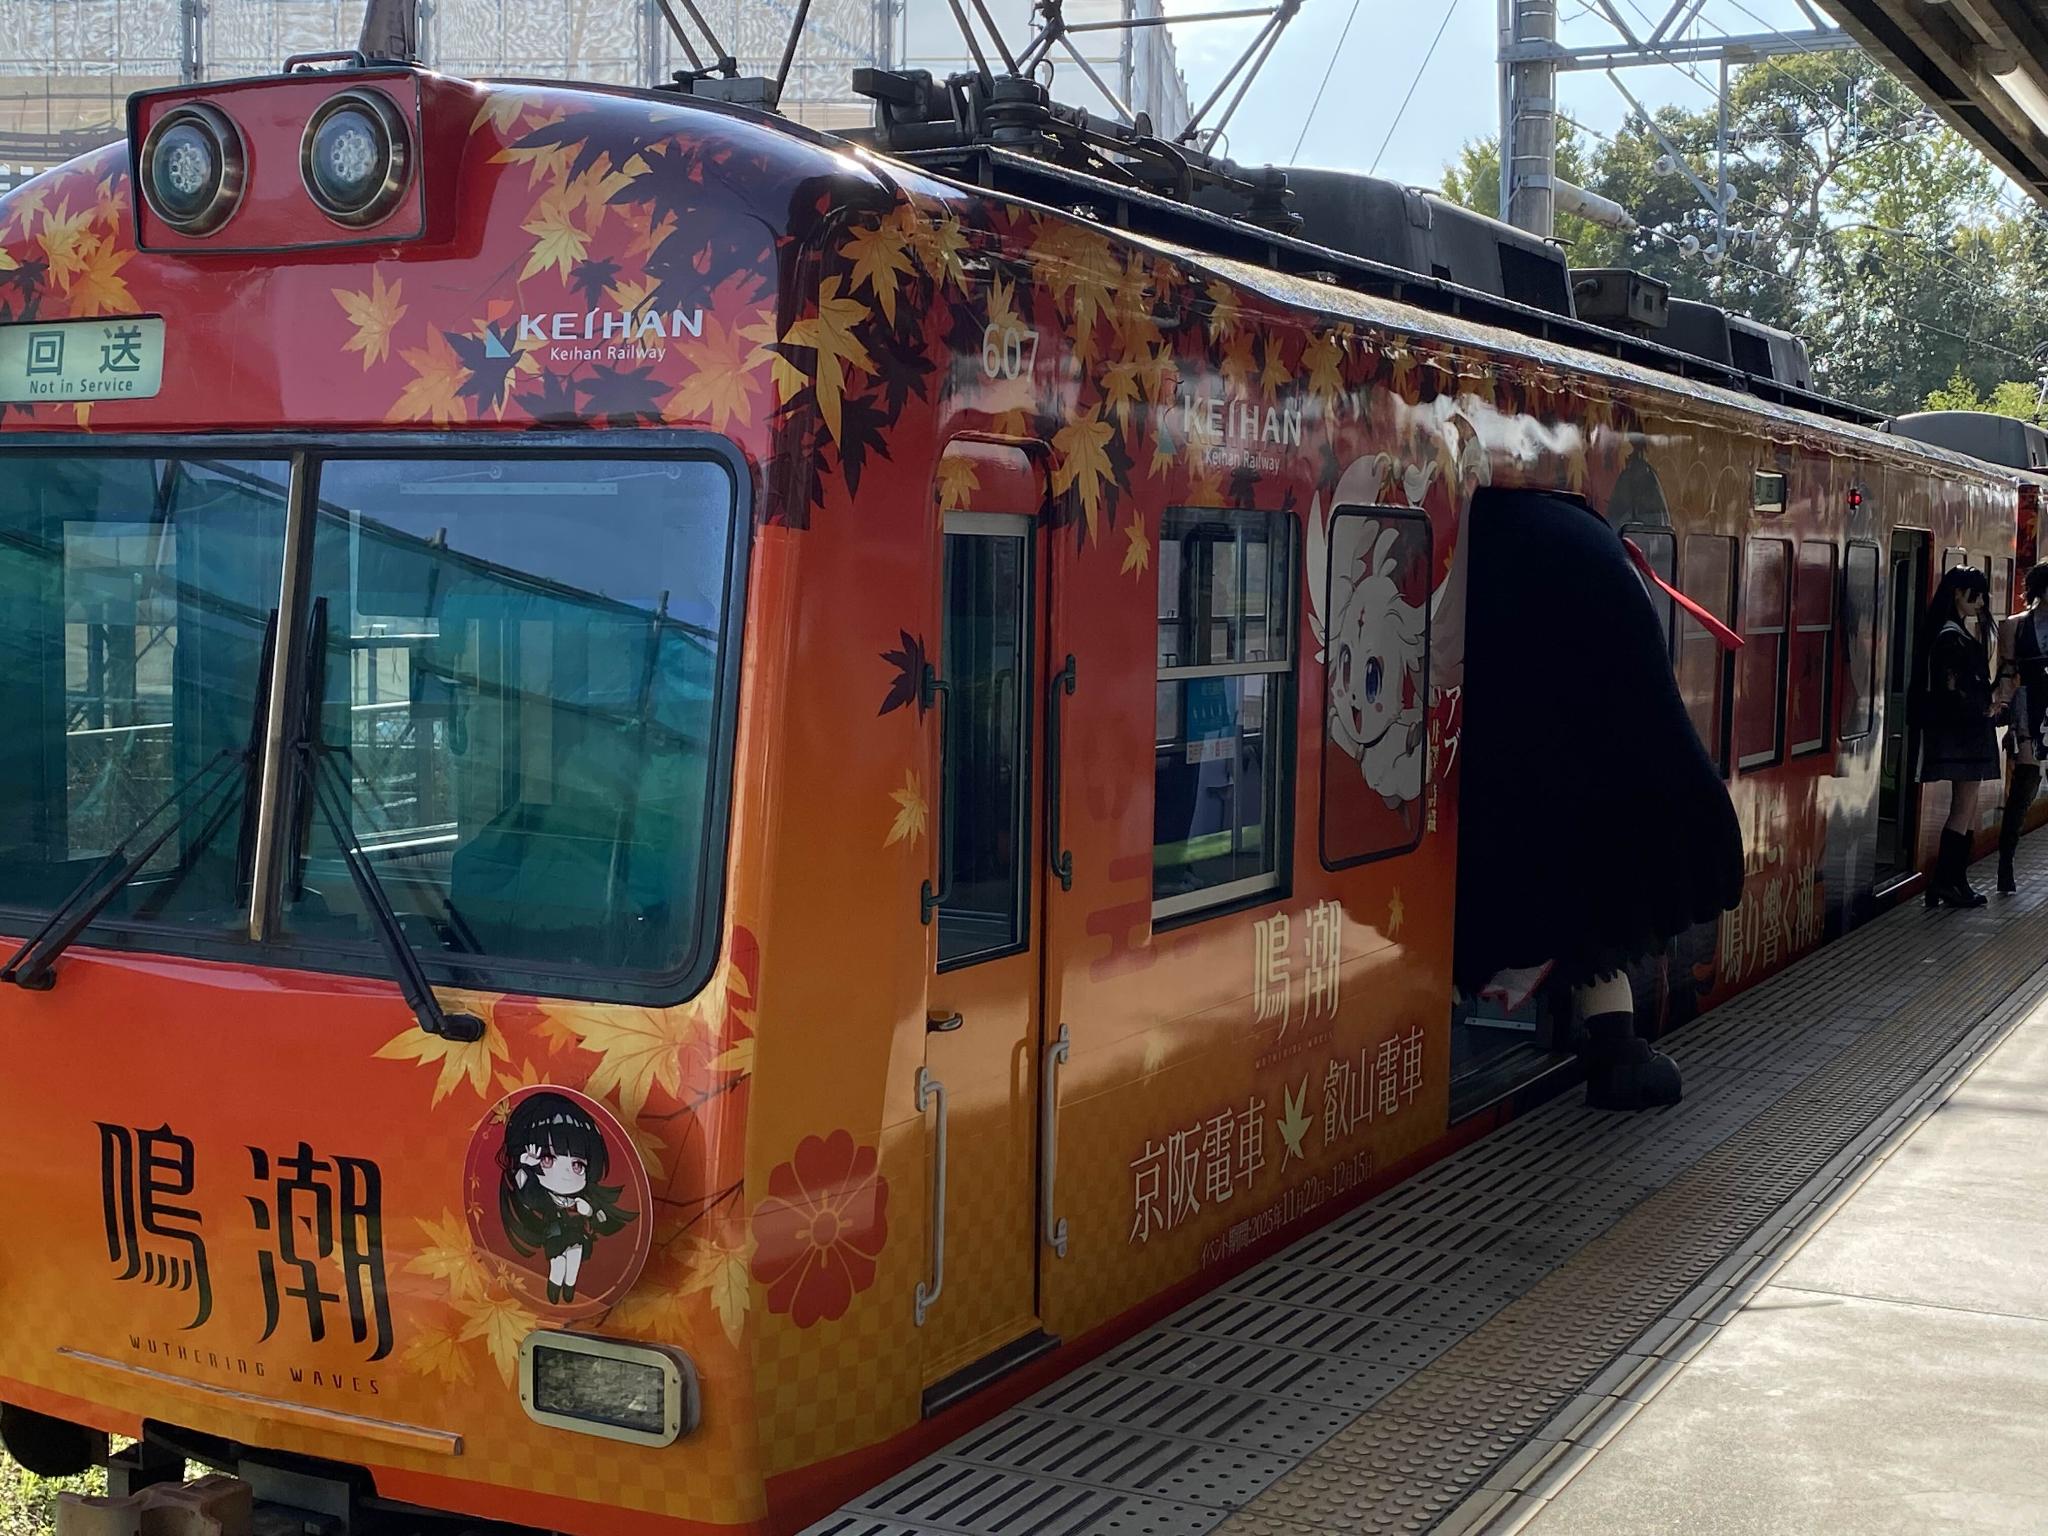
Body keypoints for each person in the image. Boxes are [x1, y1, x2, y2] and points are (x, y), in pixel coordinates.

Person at [1454, 493, 1744, 1111]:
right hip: (1574, 845)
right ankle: (1614, 1046)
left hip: (1490, 849)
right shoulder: (1588, 565)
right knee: (1595, 915)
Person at [1918, 565, 1999, 909]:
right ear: (1957, 594)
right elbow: (1953, 689)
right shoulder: (1950, 637)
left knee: (1964, 808)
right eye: (1974, 595)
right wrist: (1984, 708)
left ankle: (1951, 881)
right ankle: (1948, 882)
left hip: (1961, 734)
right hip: (1963, 735)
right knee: (1963, 808)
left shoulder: (1948, 632)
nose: (1980, 602)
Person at [1994, 562, 2048, 893]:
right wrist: (2002, 707)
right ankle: (2005, 863)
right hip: (2029, 708)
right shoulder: (2014, 626)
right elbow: (2006, 672)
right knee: (2024, 786)